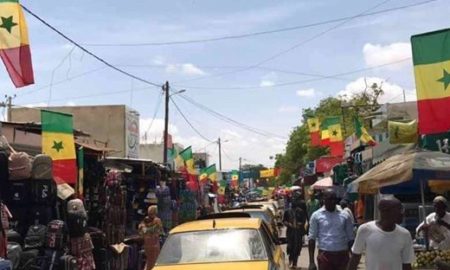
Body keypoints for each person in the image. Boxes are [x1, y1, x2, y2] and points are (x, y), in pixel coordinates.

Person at [347, 197, 414, 270]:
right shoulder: (365, 230)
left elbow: (406, 264)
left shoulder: (405, 234)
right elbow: (355, 258)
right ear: (385, 212)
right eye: (398, 210)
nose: (402, 213)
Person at [308, 189, 354, 270]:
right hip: (325, 256)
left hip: (342, 256)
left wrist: (353, 258)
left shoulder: (345, 215)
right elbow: (312, 239)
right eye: (330, 199)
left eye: (334, 199)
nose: (332, 201)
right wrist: (311, 262)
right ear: (324, 199)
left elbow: (351, 238)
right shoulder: (316, 216)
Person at [283, 199, 307, 269]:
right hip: (290, 232)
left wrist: (300, 224)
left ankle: (295, 263)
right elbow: (284, 221)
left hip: (298, 232)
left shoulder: (300, 211)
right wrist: (289, 224)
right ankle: (290, 259)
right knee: (290, 247)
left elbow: (303, 220)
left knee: (297, 247)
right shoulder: (287, 211)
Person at [139, 205, 164, 270]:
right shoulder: (157, 220)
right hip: (154, 243)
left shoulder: (145, 220)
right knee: (153, 261)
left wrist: (147, 231)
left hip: (147, 243)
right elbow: (160, 230)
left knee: (149, 260)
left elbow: (142, 230)